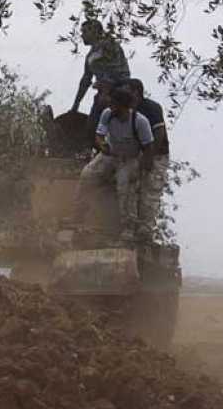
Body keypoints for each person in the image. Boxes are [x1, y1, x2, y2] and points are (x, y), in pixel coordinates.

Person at [72, 87, 153, 243]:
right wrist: (102, 145)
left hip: (129, 159)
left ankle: (128, 228)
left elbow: (148, 147)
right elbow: (99, 135)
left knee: (125, 188)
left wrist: (142, 169)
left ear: (123, 106)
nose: (111, 107)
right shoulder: (107, 114)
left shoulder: (140, 121)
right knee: (87, 175)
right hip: (109, 154)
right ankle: (78, 215)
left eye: (114, 104)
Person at [120, 78, 170, 245]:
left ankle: (145, 231)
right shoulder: (125, 110)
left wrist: (149, 157)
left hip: (157, 155)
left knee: (150, 192)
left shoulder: (151, 108)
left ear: (136, 92)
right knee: (130, 189)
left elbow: (159, 133)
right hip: (136, 154)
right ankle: (130, 227)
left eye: (127, 91)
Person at [70, 19, 131, 145]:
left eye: (85, 32)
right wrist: (76, 103)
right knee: (92, 127)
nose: (82, 35)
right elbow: (86, 79)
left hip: (119, 93)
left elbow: (120, 72)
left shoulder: (110, 46)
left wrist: (109, 87)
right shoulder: (90, 56)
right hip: (102, 95)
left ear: (95, 31)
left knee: (117, 127)